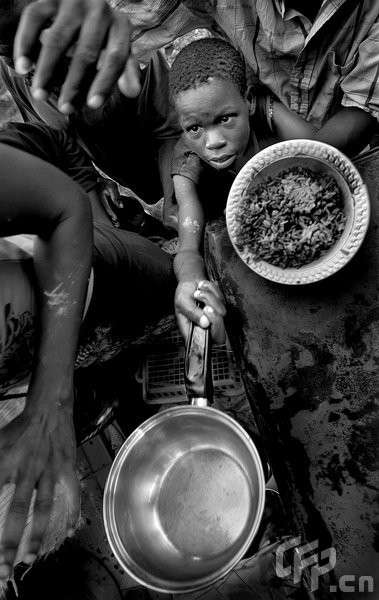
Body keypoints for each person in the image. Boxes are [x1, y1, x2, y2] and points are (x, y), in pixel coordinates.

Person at [0, 121, 177, 589]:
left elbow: (59, 180)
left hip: (112, 282)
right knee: (126, 391)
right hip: (57, 366)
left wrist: (51, 402)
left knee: (181, 311)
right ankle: (139, 421)